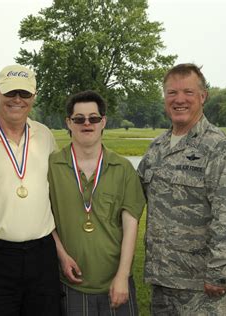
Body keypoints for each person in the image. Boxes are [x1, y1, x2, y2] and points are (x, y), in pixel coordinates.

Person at [137, 63, 226, 315]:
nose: (179, 100)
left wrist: (218, 273)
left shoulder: (221, 149)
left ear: (203, 96)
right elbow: (133, 198)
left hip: (203, 288)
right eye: (171, 93)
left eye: (188, 92)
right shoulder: (157, 149)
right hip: (162, 283)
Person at [0, 64, 61, 316]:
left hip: (42, 254)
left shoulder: (44, 135)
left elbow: (56, 196)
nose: (17, 100)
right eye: (10, 93)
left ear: (34, 97)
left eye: (25, 94)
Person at [48, 90, 145, 315]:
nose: (86, 124)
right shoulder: (51, 166)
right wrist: (61, 256)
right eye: (79, 119)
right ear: (68, 123)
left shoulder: (123, 169)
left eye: (93, 118)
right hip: (70, 282)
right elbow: (44, 218)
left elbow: (131, 227)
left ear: (103, 122)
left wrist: (122, 276)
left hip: (116, 283)